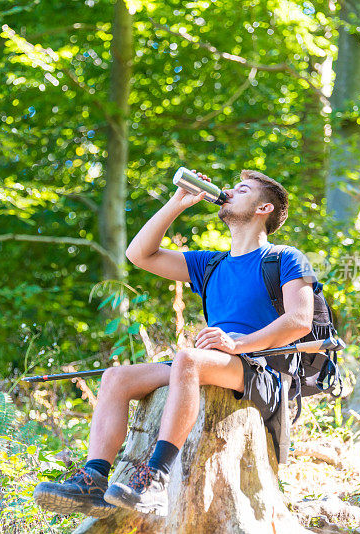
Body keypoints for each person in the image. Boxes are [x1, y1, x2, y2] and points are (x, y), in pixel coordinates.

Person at [33, 169, 316, 518]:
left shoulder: (284, 258)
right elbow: (139, 255)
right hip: (213, 361)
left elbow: (299, 321)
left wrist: (238, 344)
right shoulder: (210, 263)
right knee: (115, 378)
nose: (227, 191)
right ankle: (93, 480)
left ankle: (155, 480)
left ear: (264, 209)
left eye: (241, 189)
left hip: (262, 370)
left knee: (188, 359)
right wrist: (177, 202)